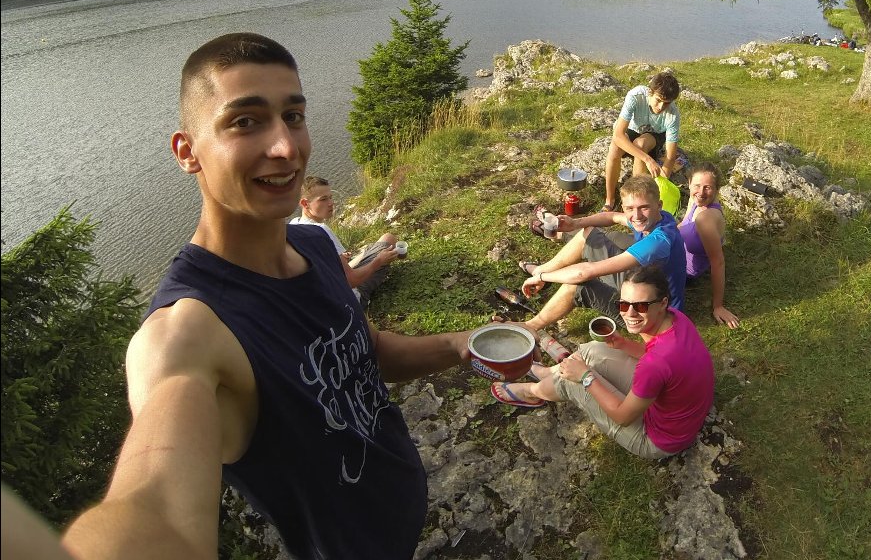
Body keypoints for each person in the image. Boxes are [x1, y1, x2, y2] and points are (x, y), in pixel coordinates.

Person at [61, 32, 472, 560]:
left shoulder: (314, 245)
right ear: (188, 152)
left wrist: (461, 344)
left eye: (293, 116)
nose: (285, 147)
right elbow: (152, 504)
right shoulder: (187, 332)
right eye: (245, 121)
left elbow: (364, 349)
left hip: (403, 508)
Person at [491, 266, 714, 460]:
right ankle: (549, 373)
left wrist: (586, 377)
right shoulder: (675, 318)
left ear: (662, 303)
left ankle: (532, 392)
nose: (630, 313)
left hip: (657, 438)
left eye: (641, 306)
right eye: (623, 304)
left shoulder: (656, 363)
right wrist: (623, 344)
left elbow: (623, 417)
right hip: (678, 408)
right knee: (592, 350)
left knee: (574, 382)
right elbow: (660, 361)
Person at [518, 176, 688, 331]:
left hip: (651, 311)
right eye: (630, 208)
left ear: (658, 205)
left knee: (577, 284)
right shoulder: (658, 218)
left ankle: (531, 326)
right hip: (647, 279)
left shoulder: (658, 242)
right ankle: (541, 269)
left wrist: (544, 278)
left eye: (643, 208)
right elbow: (612, 217)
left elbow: (585, 272)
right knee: (590, 233)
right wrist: (575, 223)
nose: (636, 215)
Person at [291, 174, 400, 308]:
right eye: (323, 199)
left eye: (330, 197)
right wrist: (379, 261)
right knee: (388, 239)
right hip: (348, 300)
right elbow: (351, 281)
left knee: (361, 254)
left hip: (322, 298)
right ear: (304, 203)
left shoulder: (293, 225)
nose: (331, 203)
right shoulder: (321, 229)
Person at [602, 72, 682, 212]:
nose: (661, 107)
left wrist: (663, 181)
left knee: (641, 144)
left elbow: (670, 155)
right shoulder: (636, 96)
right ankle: (610, 200)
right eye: (658, 100)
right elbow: (618, 135)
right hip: (633, 128)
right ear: (650, 92)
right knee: (614, 148)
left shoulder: (672, 114)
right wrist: (648, 160)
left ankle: (636, 202)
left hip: (654, 134)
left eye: (667, 103)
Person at [678, 162, 739, 329]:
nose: (701, 192)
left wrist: (718, 306)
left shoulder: (706, 218)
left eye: (708, 187)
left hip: (682, 271)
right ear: (689, 184)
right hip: (673, 252)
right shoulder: (694, 199)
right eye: (697, 185)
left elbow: (718, 262)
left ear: (716, 190)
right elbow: (683, 224)